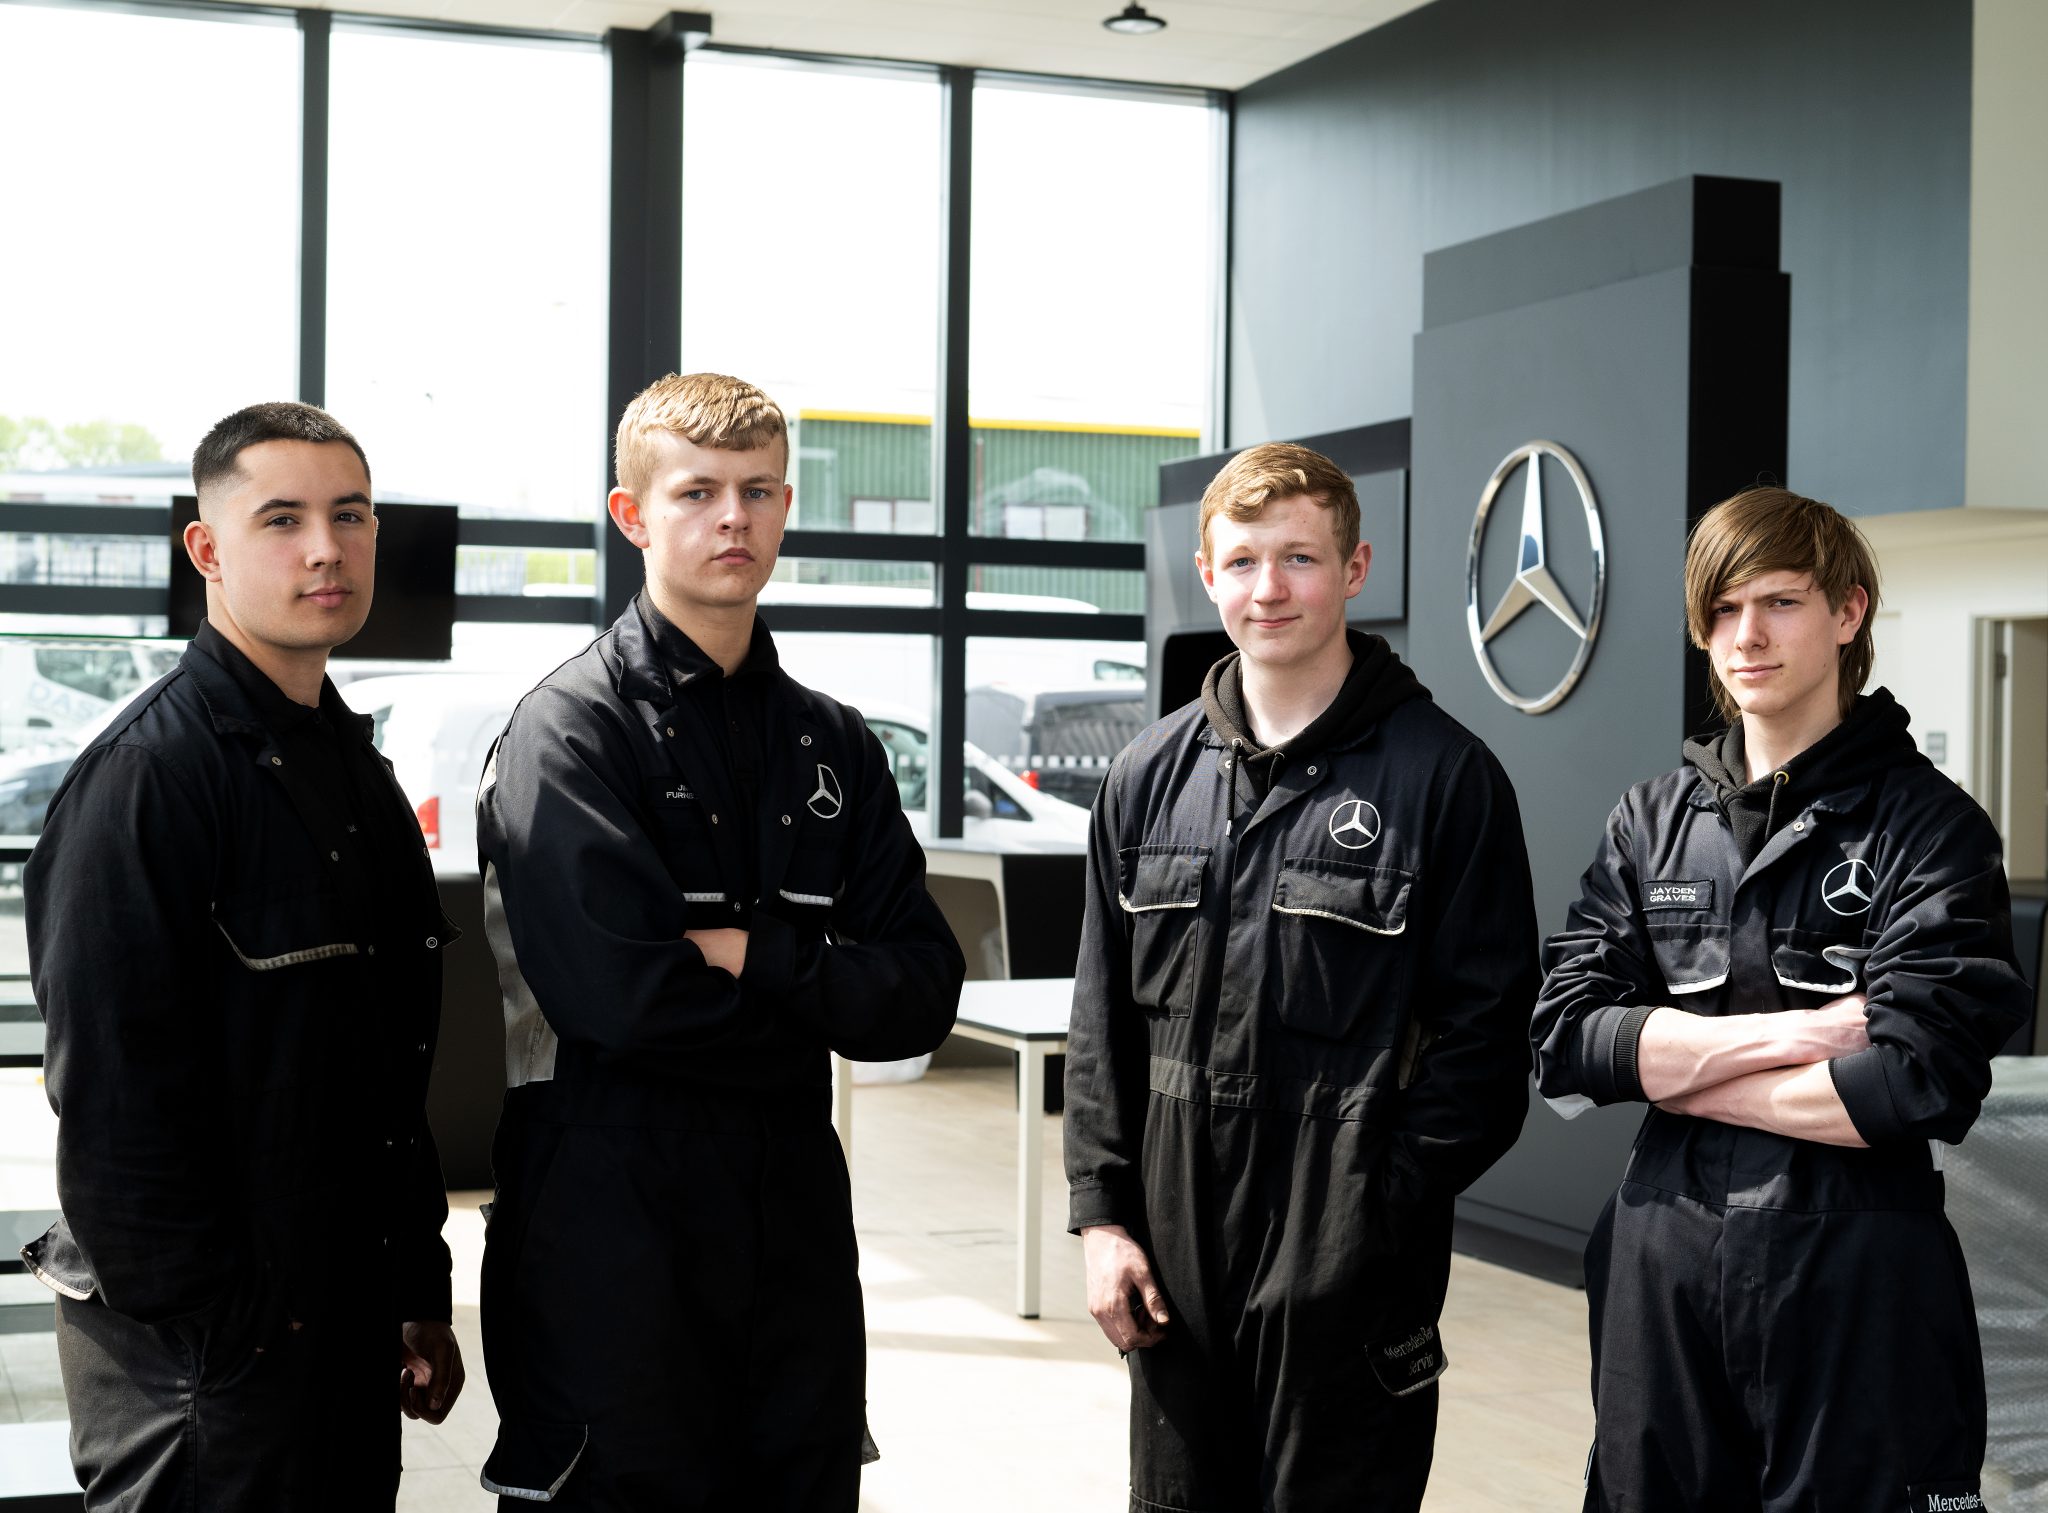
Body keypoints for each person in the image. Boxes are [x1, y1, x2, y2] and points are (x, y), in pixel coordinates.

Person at [475, 371, 965, 1510]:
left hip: (791, 1228)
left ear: (786, 507)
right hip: (610, 1226)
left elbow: (923, 992)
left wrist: (753, 955)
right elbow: (622, 1000)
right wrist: (821, 998)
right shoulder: (569, 732)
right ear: (632, 515)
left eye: (756, 491)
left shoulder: (834, 743)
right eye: (697, 492)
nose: (732, 518)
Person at [1532, 486, 2030, 1513]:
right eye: (1719, 610)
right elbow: (1564, 1040)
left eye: (1776, 602)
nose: (1743, 635)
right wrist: (1803, 1033)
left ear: (1846, 614)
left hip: (1851, 1280)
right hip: (1657, 1275)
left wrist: (1671, 1071)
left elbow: (1907, 1084)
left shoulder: (1929, 831)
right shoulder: (1649, 822)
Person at [1064, 441, 1539, 1512]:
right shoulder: (1148, 777)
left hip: (1348, 1266)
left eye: (1297, 559)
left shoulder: (1444, 778)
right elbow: (1100, 1024)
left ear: (1355, 568)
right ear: (1206, 573)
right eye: (1240, 562)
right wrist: (1101, 1218)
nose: (1266, 588)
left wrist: (1368, 1215)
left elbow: (1487, 1042)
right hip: (1172, 1260)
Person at [23, 401, 465, 1511]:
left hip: (336, 1325)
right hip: (206, 1367)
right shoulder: (147, 781)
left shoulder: (354, 776)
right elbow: (115, 1114)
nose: (326, 547)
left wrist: (412, 1283)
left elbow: (384, 1073)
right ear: (207, 550)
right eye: (283, 518)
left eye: (350, 514)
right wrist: (221, 1336)